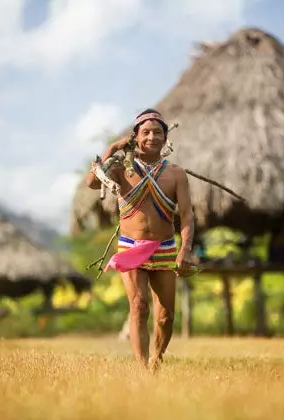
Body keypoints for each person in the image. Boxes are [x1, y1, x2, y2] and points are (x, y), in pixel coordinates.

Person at [85, 108, 195, 372]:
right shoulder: (121, 169)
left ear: (165, 137)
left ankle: (156, 359)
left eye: (158, 132)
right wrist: (113, 147)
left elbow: (187, 215)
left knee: (166, 317)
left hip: (165, 248)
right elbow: (91, 181)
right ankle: (142, 369)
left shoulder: (176, 174)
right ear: (135, 137)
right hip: (131, 248)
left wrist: (185, 250)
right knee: (139, 305)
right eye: (145, 132)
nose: (152, 137)